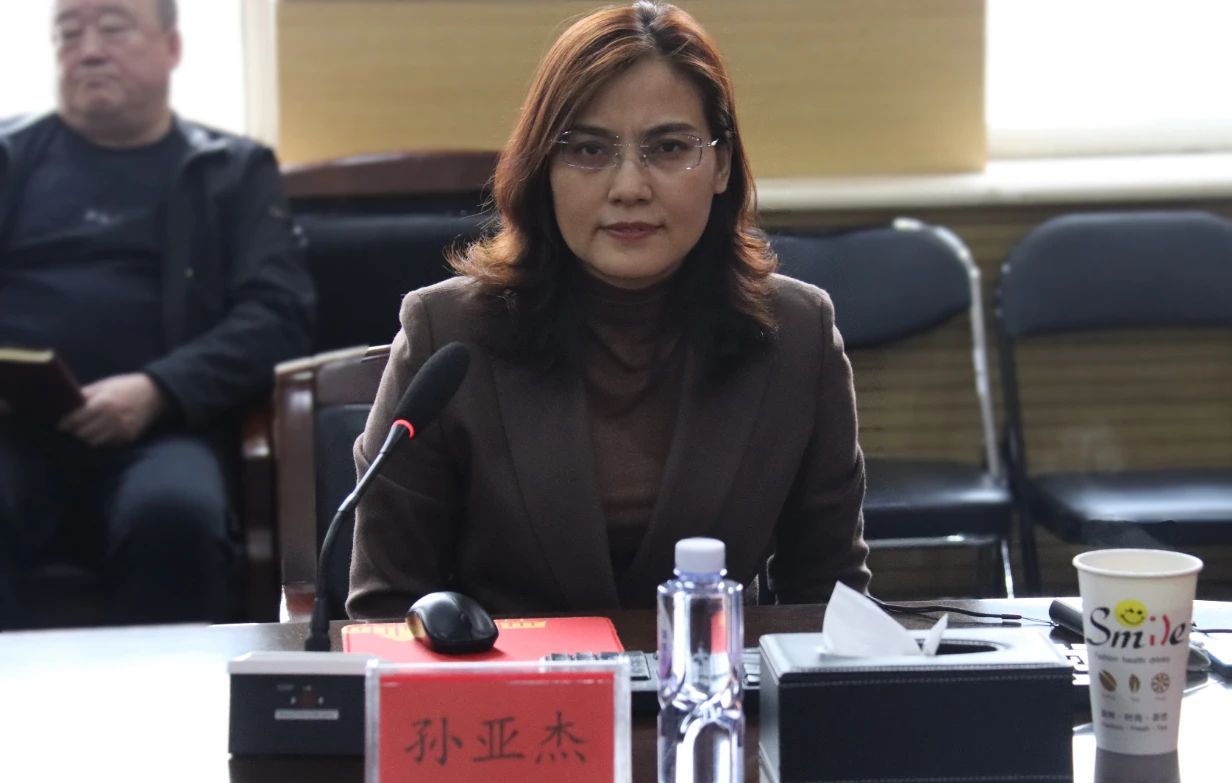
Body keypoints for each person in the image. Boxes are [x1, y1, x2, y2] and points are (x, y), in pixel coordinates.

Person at [347, 0, 869, 618]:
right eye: (590, 151)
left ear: (722, 165)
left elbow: (829, 603)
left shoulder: (798, 334)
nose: (629, 188)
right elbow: (386, 609)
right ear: (544, 168)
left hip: (713, 679)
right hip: (510, 680)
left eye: (668, 147)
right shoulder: (447, 334)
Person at [0, 0, 315, 626]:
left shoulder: (232, 170)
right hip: (10, 430)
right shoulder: (10, 159)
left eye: (113, 28)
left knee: (176, 518)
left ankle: (171, 693)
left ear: (172, 48)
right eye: (68, 34)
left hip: (161, 431)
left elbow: (278, 316)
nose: (89, 49)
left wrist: (158, 389)